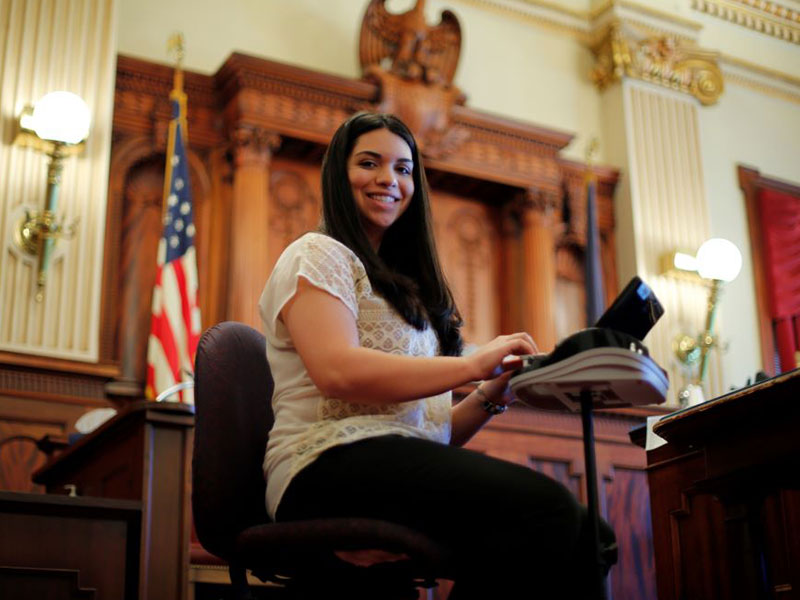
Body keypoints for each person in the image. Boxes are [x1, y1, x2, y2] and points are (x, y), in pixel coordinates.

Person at [258, 112, 615, 599]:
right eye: (369, 163)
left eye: (403, 169)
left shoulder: (408, 291)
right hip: (321, 465)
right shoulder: (318, 253)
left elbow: (429, 430)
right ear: (338, 175)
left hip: (384, 460)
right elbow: (336, 371)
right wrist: (471, 365)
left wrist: (492, 393)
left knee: (594, 537)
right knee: (547, 510)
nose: (388, 179)